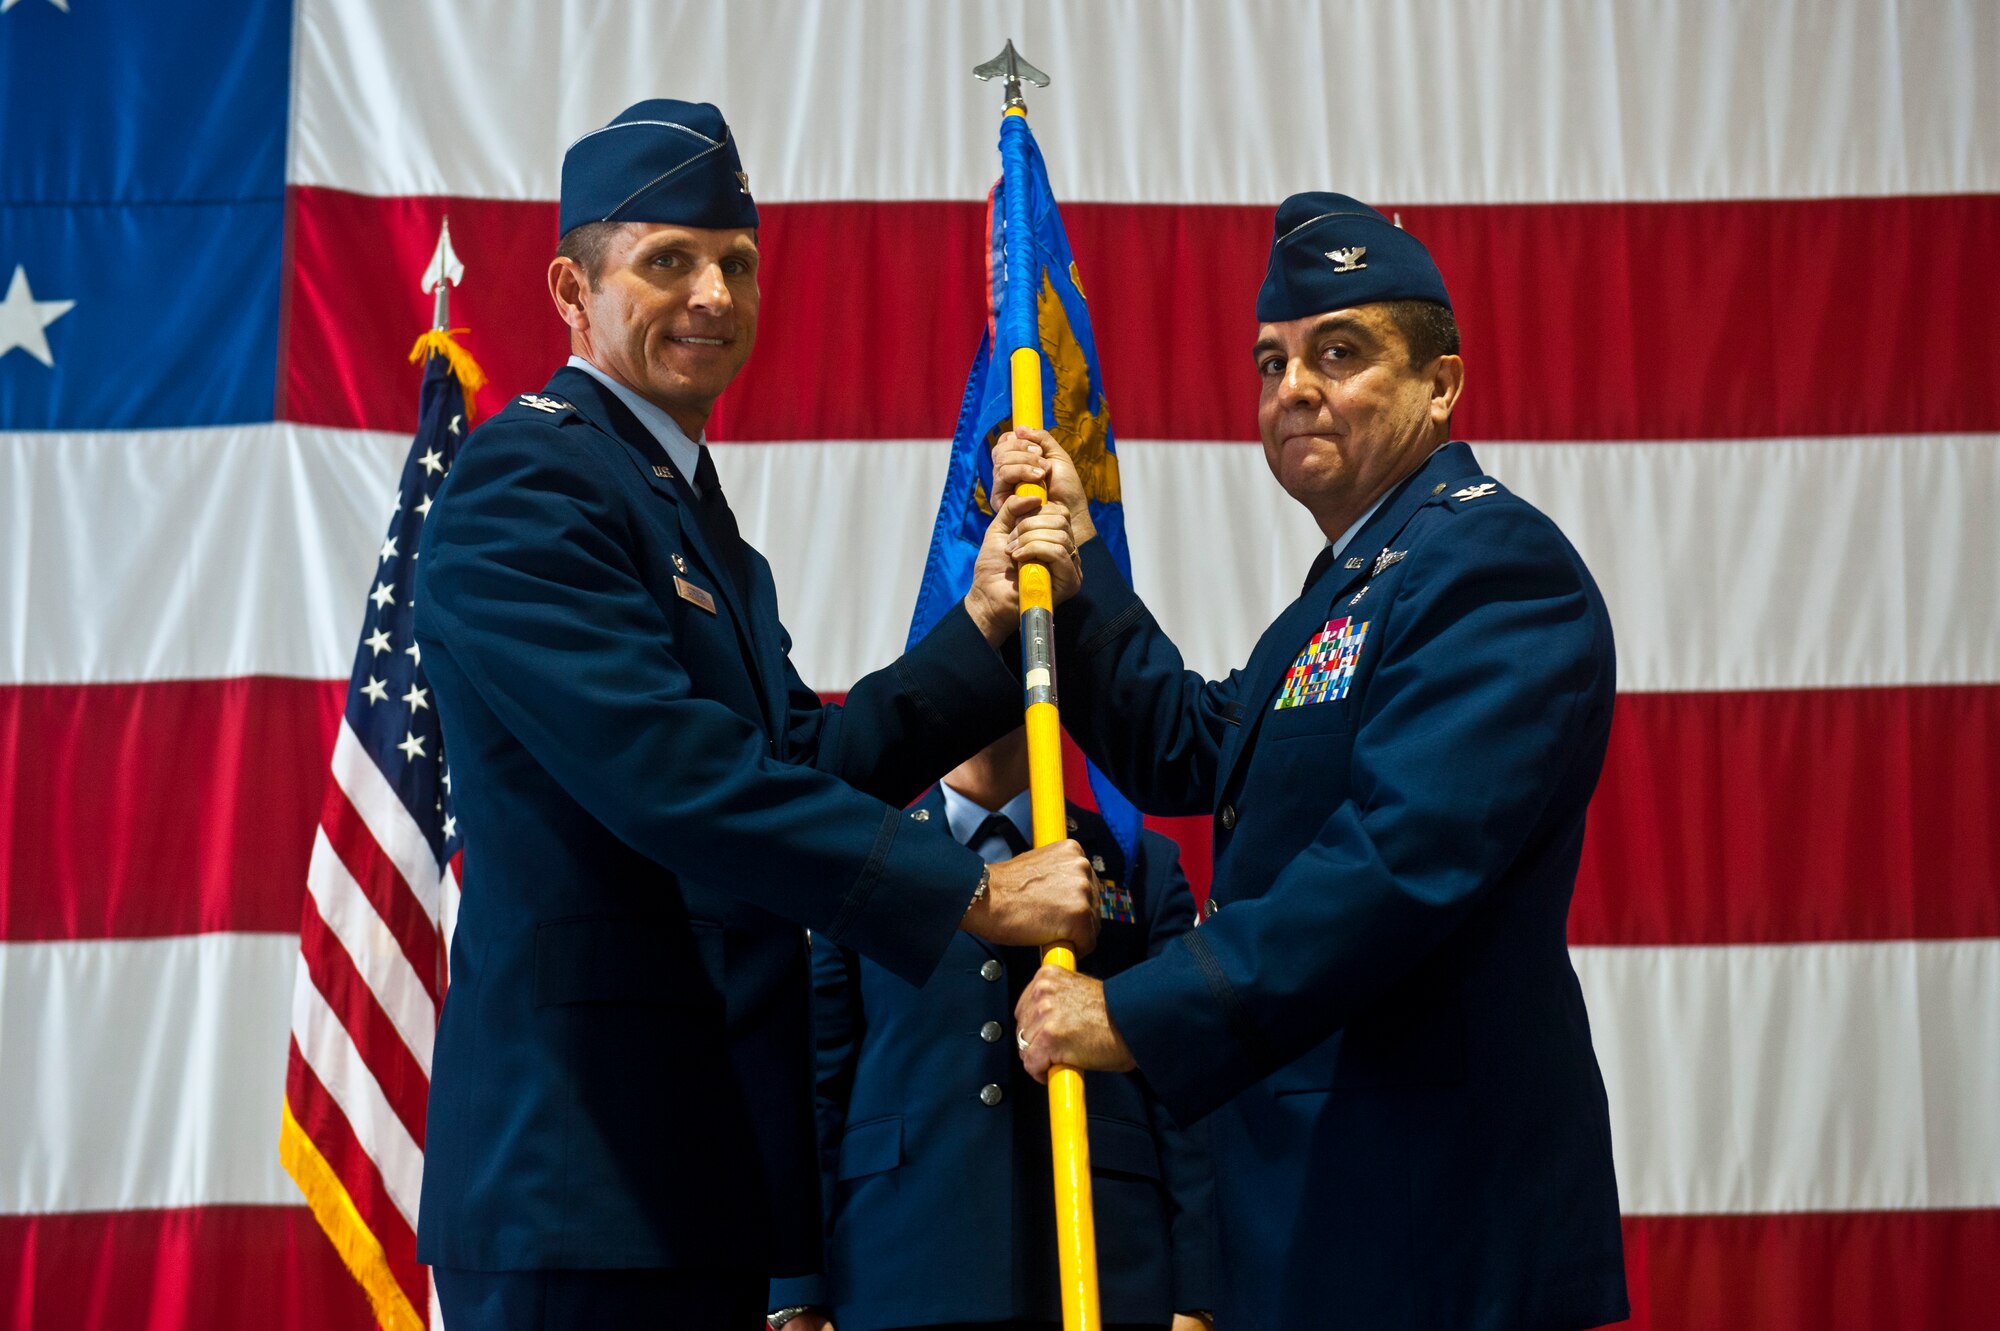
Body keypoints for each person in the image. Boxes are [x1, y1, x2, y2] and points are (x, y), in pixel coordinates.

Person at [411, 100, 1101, 1329]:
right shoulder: (528, 478)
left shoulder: (687, 514)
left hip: (691, 1175)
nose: (713, 294)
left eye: (735, 260)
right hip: (574, 1172)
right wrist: (974, 895)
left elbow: (794, 761)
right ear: (572, 288)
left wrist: (984, 626)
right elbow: (667, 775)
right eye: (666, 260)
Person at [999, 193, 1630, 1330]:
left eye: (1337, 353)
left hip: (1434, 1224)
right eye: (1270, 360)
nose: (1291, 386)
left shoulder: (1490, 567)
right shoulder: (1349, 586)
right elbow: (1193, 749)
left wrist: (1136, 1012)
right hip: (1323, 1213)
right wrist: (1082, 574)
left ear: (1441, 384)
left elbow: (1392, 863)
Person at [767, 729, 1219, 1331]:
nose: (987, 681)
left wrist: (1198, 1294)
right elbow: (811, 1084)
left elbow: (1182, 1081)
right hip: (900, 1268)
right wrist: (797, 1295)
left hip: (1104, 1269)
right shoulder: (863, 855)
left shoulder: (1138, 861)